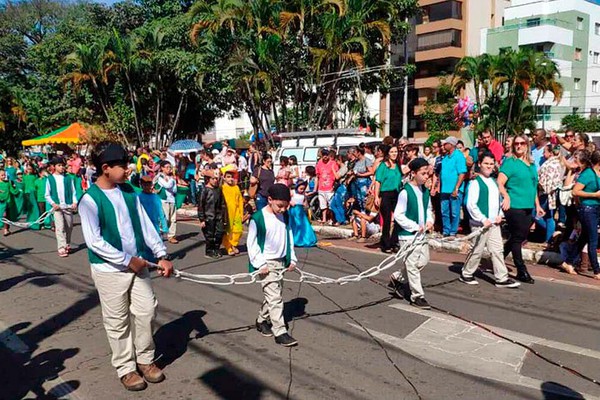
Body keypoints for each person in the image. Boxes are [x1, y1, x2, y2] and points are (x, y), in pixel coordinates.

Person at [78, 141, 173, 392]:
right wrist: (126, 260)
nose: (128, 169)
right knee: (117, 322)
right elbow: (94, 242)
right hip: (110, 272)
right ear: (106, 168)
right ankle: (126, 368)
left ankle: (145, 359)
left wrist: (161, 254)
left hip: (139, 265)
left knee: (146, 312)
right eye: (123, 166)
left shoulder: (129, 191)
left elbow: (145, 225)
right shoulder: (90, 200)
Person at [248, 183, 299, 347]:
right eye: (280, 206)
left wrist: (291, 258)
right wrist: (260, 263)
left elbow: (288, 236)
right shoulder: (258, 218)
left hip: (281, 261)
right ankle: (280, 332)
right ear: (269, 200)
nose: (283, 209)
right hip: (266, 264)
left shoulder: (285, 216)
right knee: (275, 298)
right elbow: (252, 243)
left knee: (274, 295)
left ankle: (261, 320)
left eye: (286, 206)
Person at [460, 153, 520, 288]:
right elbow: (470, 204)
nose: (489, 166)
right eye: (486, 163)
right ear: (480, 164)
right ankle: (467, 273)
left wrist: (499, 214)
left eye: (491, 164)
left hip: (494, 224)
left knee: (497, 250)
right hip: (480, 224)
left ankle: (501, 278)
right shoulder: (475, 183)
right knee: (477, 250)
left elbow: (497, 201)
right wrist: (482, 219)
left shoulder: (493, 182)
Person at [498, 134, 544, 284]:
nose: (518, 146)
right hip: (514, 206)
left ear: (527, 145)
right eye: (516, 143)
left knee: (519, 237)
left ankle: (499, 257)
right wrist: (506, 196)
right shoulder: (510, 162)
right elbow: (500, 183)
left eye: (522, 143)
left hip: (528, 206)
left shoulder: (531, 164)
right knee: (518, 237)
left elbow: (533, 187)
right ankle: (521, 270)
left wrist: (537, 205)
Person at [388, 158, 434, 309]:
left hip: (421, 234)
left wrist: (429, 221)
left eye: (427, 173)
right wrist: (413, 226)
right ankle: (417, 296)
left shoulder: (425, 191)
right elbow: (399, 215)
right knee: (413, 265)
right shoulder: (405, 192)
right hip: (408, 235)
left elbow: (428, 209)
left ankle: (397, 277)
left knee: (424, 260)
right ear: (413, 173)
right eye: (423, 173)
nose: (426, 176)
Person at [571, 150, 600, 279]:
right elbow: (575, 191)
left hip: (596, 208)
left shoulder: (598, 174)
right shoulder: (588, 174)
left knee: (584, 238)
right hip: (587, 208)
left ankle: (568, 262)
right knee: (593, 239)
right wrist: (594, 195)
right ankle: (596, 270)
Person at [45, 157, 77, 257]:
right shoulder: (50, 179)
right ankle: (61, 247)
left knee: (69, 226)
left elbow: (73, 192)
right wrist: (53, 204)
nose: (62, 167)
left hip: (67, 206)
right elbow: (47, 195)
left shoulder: (68, 178)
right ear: (54, 167)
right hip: (57, 208)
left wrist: (74, 202)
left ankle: (67, 243)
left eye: (63, 165)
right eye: (59, 165)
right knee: (60, 227)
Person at [374, 145, 401, 253]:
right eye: (392, 152)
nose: (394, 154)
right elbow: (378, 181)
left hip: (396, 193)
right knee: (387, 220)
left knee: (399, 218)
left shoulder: (398, 165)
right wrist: (376, 196)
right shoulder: (383, 166)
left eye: (396, 151)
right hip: (385, 194)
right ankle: (385, 244)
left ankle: (394, 241)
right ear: (388, 153)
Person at [439, 137, 467, 237]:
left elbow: (462, 173)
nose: (443, 146)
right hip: (444, 190)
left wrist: (456, 188)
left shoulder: (459, 156)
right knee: (444, 211)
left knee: (454, 212)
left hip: (455, 189)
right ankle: (446, 230)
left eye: (445, 144)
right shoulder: (445, 158)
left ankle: (453, 231)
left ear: (451, 144)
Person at [198, 170, 226, 259]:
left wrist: (224, 217)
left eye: (217, 179)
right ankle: (209, 251)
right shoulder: (205, 190)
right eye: (213, 179)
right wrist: (202, 219)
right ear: (208, 179)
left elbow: (222, 204)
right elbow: (201, 205)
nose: (215, 181)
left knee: (220, 233)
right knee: (210, 235)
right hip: (208, 217)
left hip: (218, 216)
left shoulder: (218, 190)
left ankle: (216, 248)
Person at [221, 166, 245, 256]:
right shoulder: (222, 188)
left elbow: (240, 201)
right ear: (224, 178)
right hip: (226, 214)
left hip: (236, 213)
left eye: (231, 177)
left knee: (238, 230)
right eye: (228, 177)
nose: (230, 179)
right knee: (227, 232)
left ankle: (234, 244)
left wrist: (241, 213)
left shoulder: (236, 188)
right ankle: (228, 247)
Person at [155, 161, 178, 244]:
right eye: (167, 167)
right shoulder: (160, 177)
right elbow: (167, 185)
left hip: (172, 200)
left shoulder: (172, 178)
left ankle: (171, 236)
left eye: (170, 167)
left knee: (173, 219)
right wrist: (171, 181)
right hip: (164, 200)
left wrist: (171, 181)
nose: (169, 169)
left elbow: (175, 189)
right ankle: (160, 233)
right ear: (162, 168)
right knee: (165, 218)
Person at [288, 180, 317, 247]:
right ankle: (295, 239)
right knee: (295, 225)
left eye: (303, 189)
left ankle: (304, 239)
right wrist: (290, 202)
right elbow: (287, 199)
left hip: (301, 211)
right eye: (301, 188)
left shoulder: (303, 194)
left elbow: (305, 202)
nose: (302, 190)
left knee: (303, 225)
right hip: (294, 211)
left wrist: (305, 204)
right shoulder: (292, 193)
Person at [315, 149, 339, 224]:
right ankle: (324, 218)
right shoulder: (319, 163)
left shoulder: (333, 163)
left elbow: (337, 176)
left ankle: (332, 219)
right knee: (322, 204)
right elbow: (317, 176)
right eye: (323, 155)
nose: (325, 157)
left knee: (331, 205)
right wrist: (316, 188)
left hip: (330, 187)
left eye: (326, 155)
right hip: (321, 188)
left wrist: (334, 187)